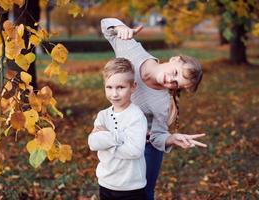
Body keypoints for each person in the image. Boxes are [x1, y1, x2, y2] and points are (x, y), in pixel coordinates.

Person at [101, 18, 208, 200]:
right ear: (174, 59)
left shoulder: (162, 102)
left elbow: (158, 136)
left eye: (176, 84)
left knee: (143, 193)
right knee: (115, 187)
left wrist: (172, 138)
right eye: (175, 73)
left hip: (147, 148)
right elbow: (106, 26)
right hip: (120, 140)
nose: (170, 81)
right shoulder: (133, 52)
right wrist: (120, 27)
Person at [88, 58, 148, 200]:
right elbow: (93, 143)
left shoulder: (136, 117)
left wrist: (107, 139)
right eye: (109, 87)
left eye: (120, 87)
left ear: (133, 87)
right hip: (106, 183)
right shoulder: (103, 115)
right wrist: (119, 138)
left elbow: (134, 151)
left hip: (131, 187)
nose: (114, 94)